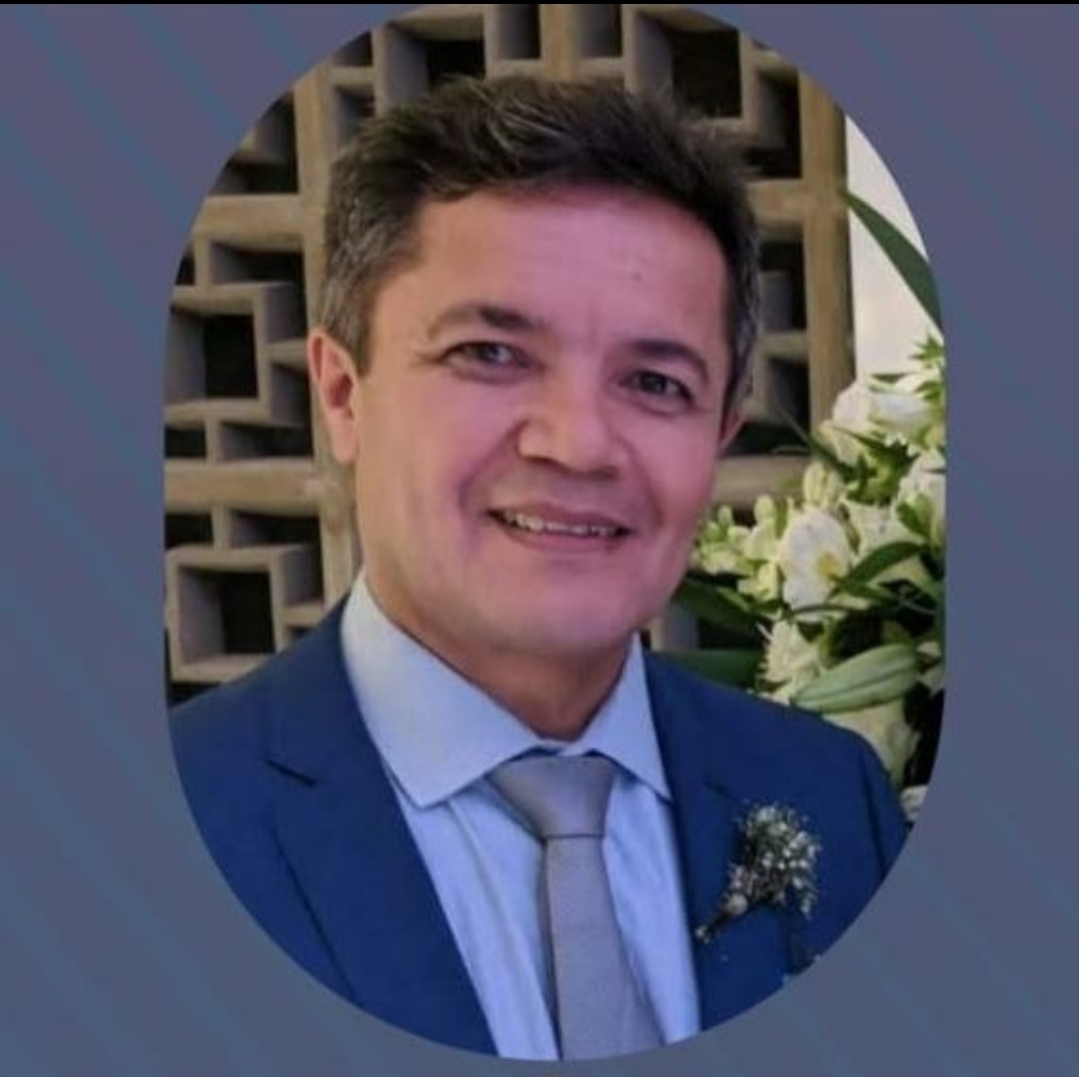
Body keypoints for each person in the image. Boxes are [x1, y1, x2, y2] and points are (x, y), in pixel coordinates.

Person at [170, 76, 907, 1061]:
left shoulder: (830, 794)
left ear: (718, 435)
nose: (577, 444)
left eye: (654, 382)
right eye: (489, 354)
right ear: (343, 394)